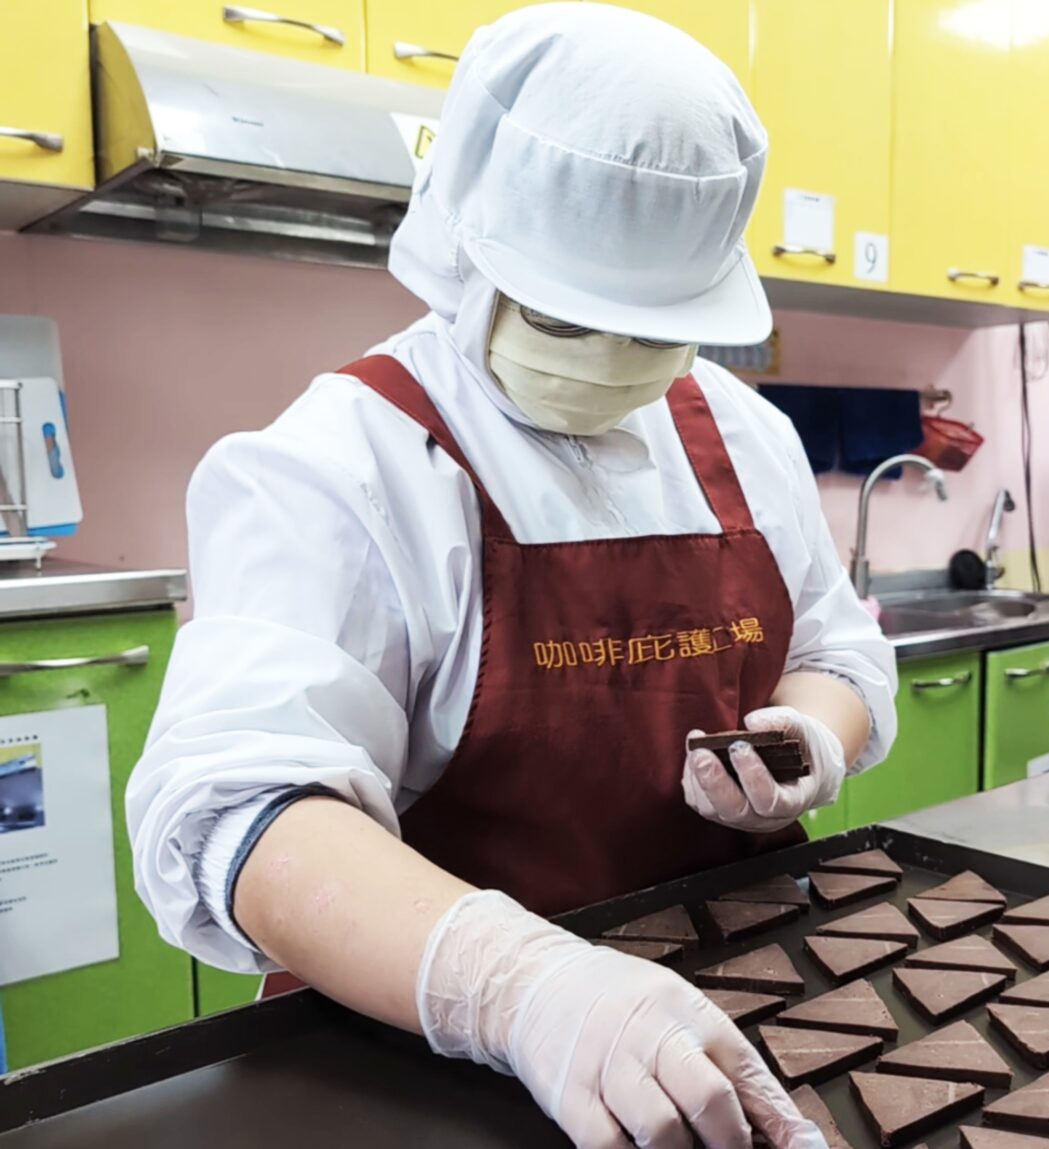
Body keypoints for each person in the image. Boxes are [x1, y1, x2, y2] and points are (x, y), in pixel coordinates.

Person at [128, 4, 897, 1147]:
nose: (611, 362)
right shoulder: (338, 466)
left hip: (733, 1002)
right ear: (462, 246)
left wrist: (810, 736)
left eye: (651, 331)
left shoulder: (747, 437)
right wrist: (522, 987)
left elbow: (835, 647)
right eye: (563, 318)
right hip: (422, 1055)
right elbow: (239, 814)